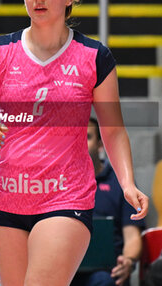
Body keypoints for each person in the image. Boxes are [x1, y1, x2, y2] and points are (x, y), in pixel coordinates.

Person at [0, 0, 148, 286]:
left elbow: (113, 129)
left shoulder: (94, 56)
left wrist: (128, 182)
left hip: (66, 197)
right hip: (9, 198)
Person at [71, 117, 145, 286]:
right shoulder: (55, 182)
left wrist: (128, 260)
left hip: (105, 273)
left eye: (87, 137)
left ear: (100, 143)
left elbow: (132, 236)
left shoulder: (120, 183)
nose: (80, 143)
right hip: (66, 270)